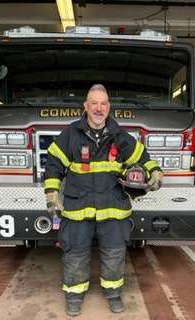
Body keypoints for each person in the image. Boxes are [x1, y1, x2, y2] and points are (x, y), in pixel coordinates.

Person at [44, 84, 163, 316]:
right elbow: (54, 164)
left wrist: (155, 172)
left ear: (109, 108)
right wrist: (52, 194)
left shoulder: (120, 136)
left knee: (114, 253)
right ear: (86, 106)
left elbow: (143, 157)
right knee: (75, 253)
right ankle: (74, 295)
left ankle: (113, 293)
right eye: (94, 103)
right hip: (78, 207)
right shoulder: (71, 134)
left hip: (112, 207)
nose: (99, 108)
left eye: (103, 103)